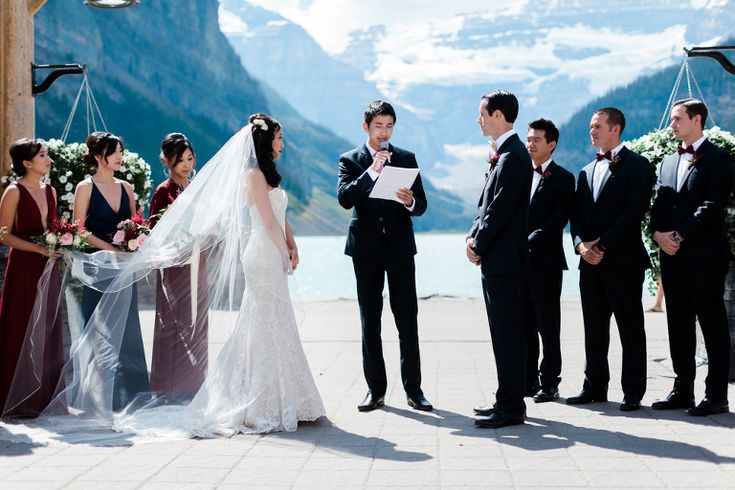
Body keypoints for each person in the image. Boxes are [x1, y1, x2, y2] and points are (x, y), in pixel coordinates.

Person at [338, 100, 432, 412]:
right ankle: (375, 390)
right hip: (365, 250)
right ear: (366, 127)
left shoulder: (406, 158)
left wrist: (410, 201)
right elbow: (344, 198)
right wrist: (372, 171)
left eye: (389, 126)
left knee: (408, 319)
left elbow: (422, 205)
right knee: (370, 320)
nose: (384, 132)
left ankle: (414, 391)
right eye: (379, 126)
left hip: (400, 248)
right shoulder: (350, 159)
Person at [650, 98, 734, 416]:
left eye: (677, 119)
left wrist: (680, 234)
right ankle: (682, 389)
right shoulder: (667, 162)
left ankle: (716, 396)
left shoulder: (719, 159)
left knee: (712, 325)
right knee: (678, 324)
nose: (671, 124)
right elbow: (658, 204)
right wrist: (658, 234)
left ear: (697, 119)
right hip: (671, 256)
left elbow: (712, 206)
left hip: (705, 256)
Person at [568, 107, 655, 412]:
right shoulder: (585, 170)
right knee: (593, 327)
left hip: (623, 261)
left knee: (630, 327)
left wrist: (601, 245)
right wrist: (580, 246)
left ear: (615, 128)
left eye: (597, 126)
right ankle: (594, 386)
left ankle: (633, 390)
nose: (591, 131)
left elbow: (633, 212)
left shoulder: (639, 166)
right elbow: (575, 215)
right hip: (588, 263)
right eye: (591, 127)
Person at [467, 90, 533, 428]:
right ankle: (504, 399)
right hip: (499, 259)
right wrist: (473, 234)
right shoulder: (504, 153)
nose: (478, 120)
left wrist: (478, 243)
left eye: (482, 113)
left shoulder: (513, 156)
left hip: (506, 260)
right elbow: (485, 204)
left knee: (508, 333)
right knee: (502, 332)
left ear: (498, 115)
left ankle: (511, 407)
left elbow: (501, 209)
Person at [73, 131, 149, 411]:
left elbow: (134, 224)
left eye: (121, 151)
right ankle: (94, 395)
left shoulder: (126, 187)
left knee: (129, 327)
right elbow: (79, 229)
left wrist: (133, 243)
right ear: (97, 155)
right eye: (114, 151)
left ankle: (133, 394)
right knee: (94, 327)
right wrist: (109, 249)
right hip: (95, 266)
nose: (120, 156)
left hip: (122, 267)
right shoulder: (85, 187)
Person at [0, 139, 64, 418]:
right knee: (20, 324)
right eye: (42, 155)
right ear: (27, 163)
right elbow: (2, 234)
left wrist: (62, 242)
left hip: (47, 268)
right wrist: (38, 248)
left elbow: (55, 227)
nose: (47, 158)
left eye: (47, 154)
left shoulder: (50, 191)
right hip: (23, 267)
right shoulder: (13, 191)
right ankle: (14, 398)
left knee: (46, 327)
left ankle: (43, 398)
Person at [148, 133, 208, 401]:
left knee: (197, 319)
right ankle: (169, 386)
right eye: (179, 159)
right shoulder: (164, 191)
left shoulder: (196, 187)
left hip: (197, 259)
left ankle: (194, 381)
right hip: (174, 263)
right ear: (167, 161)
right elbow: (155, 231)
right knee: (173, 321)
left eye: (189, 158)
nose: (186, 164)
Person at [521, 119, 575, 403]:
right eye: (528, 139)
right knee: (524, 324)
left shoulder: (564, 178)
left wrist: (525, 243)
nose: (530, 144)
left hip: (546, 263)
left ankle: (550, 382)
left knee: (548, 325)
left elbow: (557, 222)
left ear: (551, 144)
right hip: (518, 264)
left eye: (536, 140)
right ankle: (527, 380)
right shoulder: (517, 173)